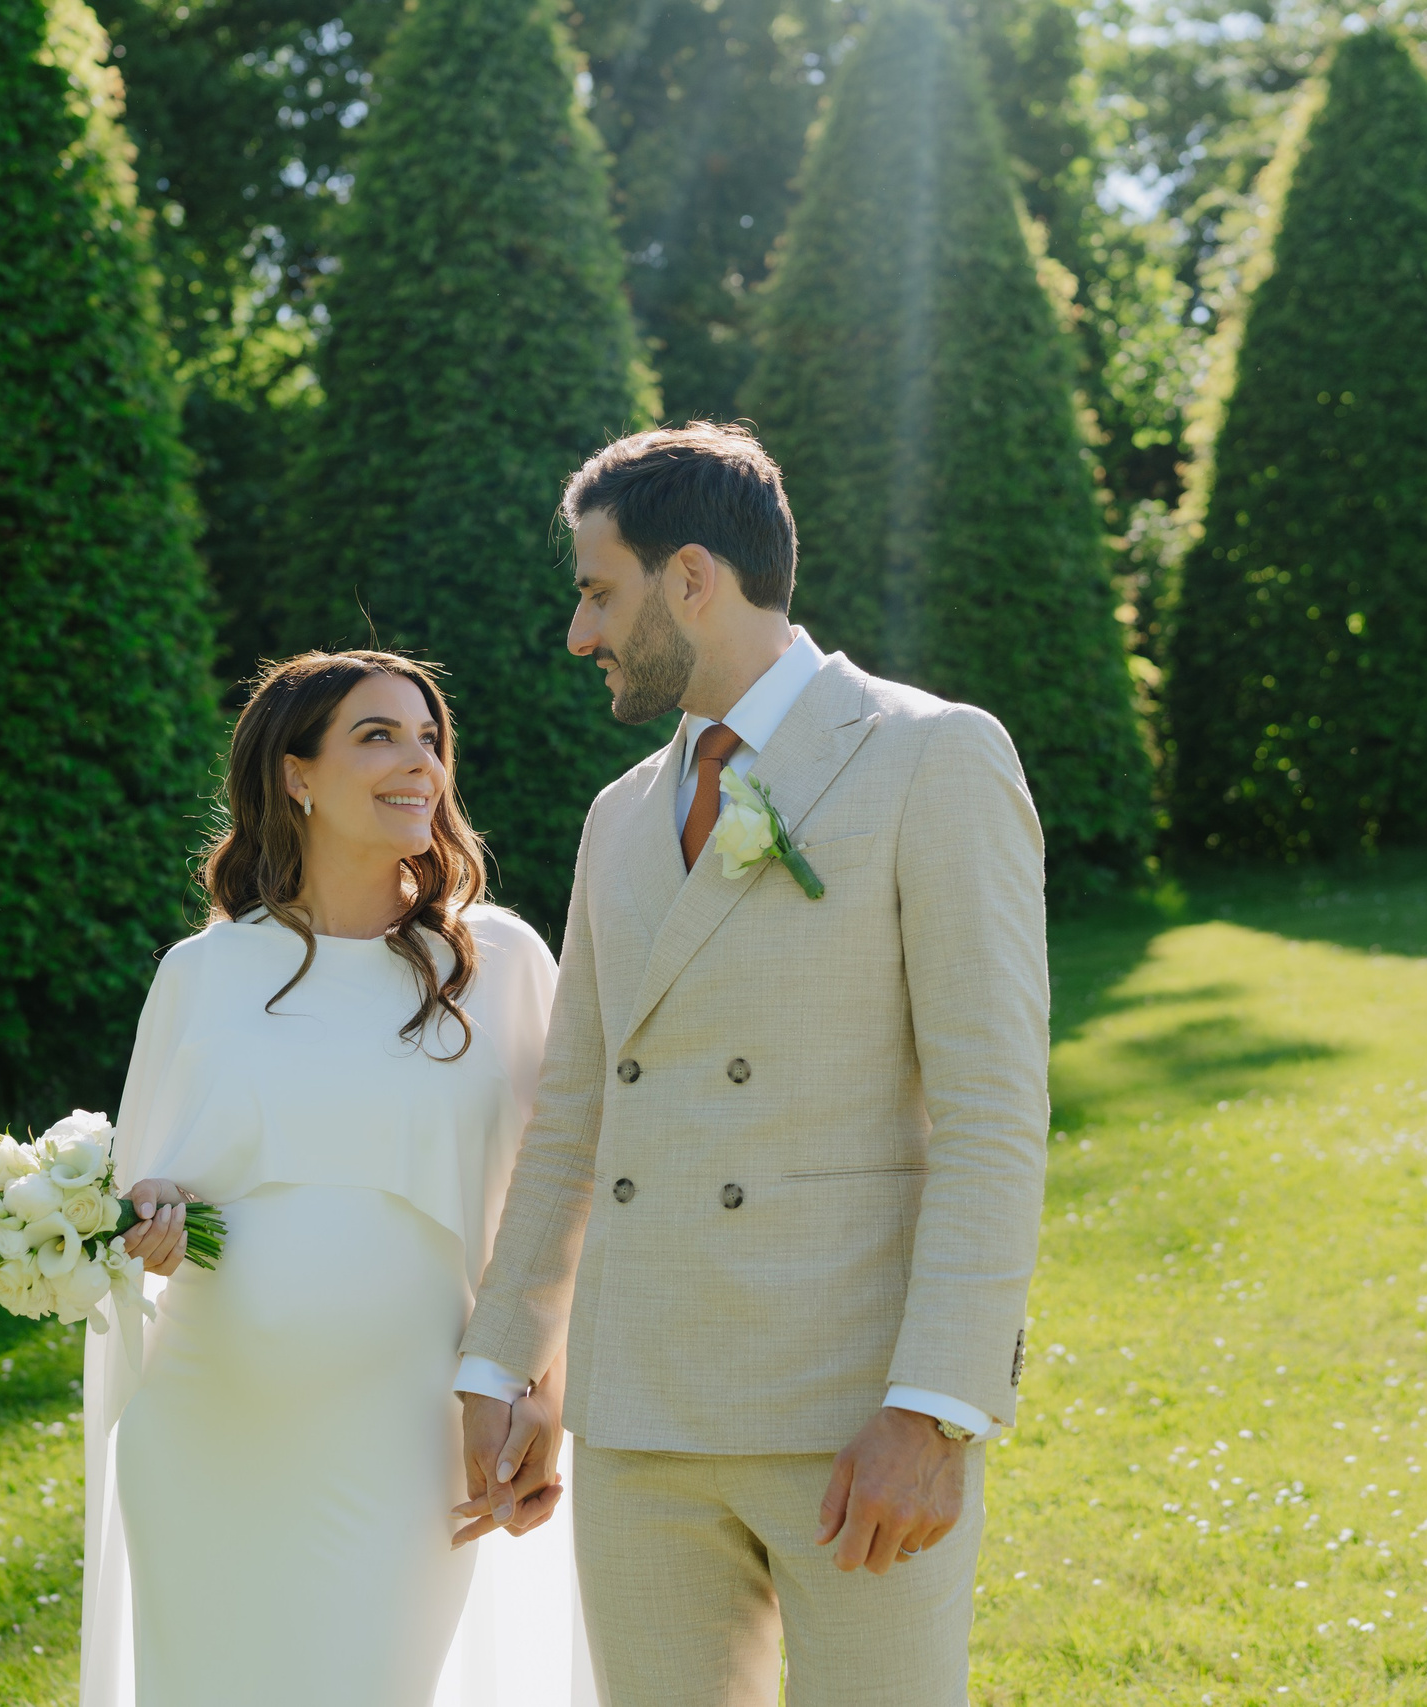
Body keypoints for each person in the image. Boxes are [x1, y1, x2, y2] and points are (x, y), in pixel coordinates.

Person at [453, 422, 1051, 1706]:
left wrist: (935, 1410)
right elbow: (571, 1118)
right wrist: (500, 1365)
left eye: (596, 591)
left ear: (689, 578)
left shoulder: (931, 756)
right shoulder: (619, 815)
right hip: (639, 1419)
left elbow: (994, 1117)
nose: (579, 634)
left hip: (851, 1416)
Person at [77, 651, 588, 1707]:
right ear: (296, 777)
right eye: (377, 735)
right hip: (208, 1434)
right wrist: (151, 1224)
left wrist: (546, 1382)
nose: (419, 764)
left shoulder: (495, 966)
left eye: (428, 739)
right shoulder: (203, 974)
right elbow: (139, 1201)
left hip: (408, 1439)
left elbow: (568, 1192)